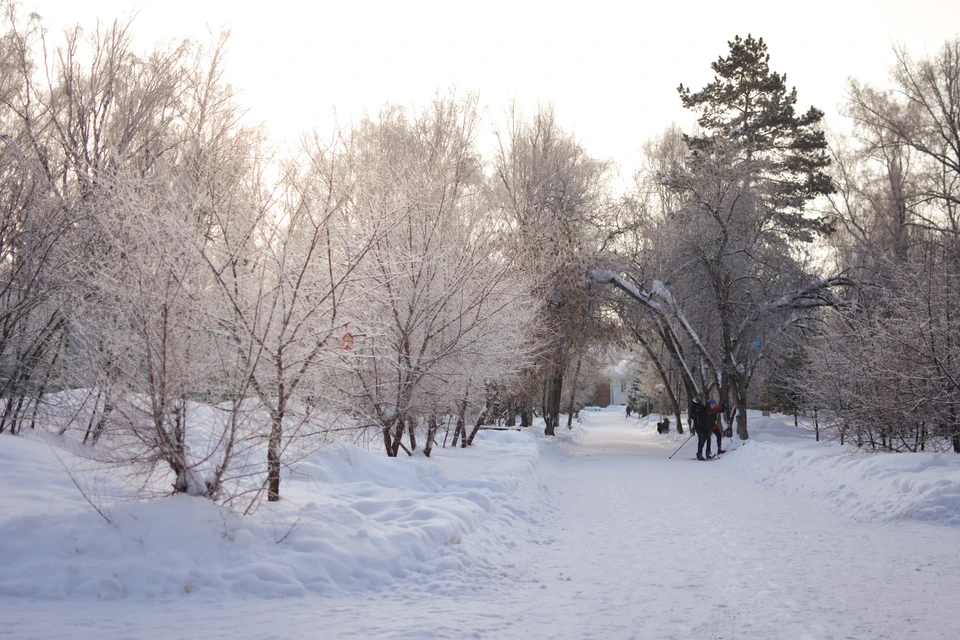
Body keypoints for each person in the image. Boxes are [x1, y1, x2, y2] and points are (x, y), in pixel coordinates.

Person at [691, 396, 713, 460]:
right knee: (701, 440)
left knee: (708, 438)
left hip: (705, 425)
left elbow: (706, 414)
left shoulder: (702, 406)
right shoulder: (693, 406)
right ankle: (699, 454)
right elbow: (692, 416)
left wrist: (707, 407)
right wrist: (696, 413)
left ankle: (708, 452)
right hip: (699, 426)